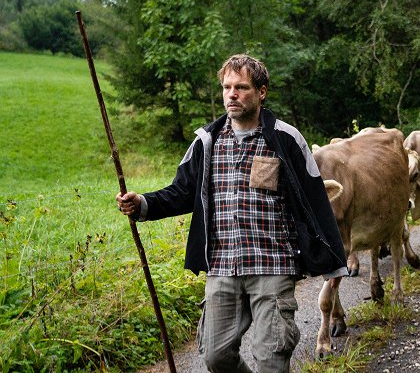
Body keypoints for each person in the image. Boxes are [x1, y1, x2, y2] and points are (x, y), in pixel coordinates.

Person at [116, 54, 348, 373]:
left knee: (272, 356)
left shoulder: (286, 139)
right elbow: (182, 191)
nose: (232, 94)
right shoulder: (206, 142)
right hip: (222, 267)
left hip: (273, 266)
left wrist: (333, 262)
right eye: (227, 87)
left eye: (241, 87)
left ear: (261, 92)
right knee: (215, 356)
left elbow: (315, 200)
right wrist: (143, 203)